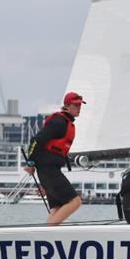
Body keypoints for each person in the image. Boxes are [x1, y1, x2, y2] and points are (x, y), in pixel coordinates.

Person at [23, 91, 84, 225]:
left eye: (80, 105)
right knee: (75, 202)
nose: (79, 108)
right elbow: (35, 141)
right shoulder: (59, 122)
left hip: (50, 170)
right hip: (48, 170)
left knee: (57, 208)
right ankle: (46, 233)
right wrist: (30, 163)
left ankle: (46, 235)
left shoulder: (66, 123)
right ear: (67, 105)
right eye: (76, 105)